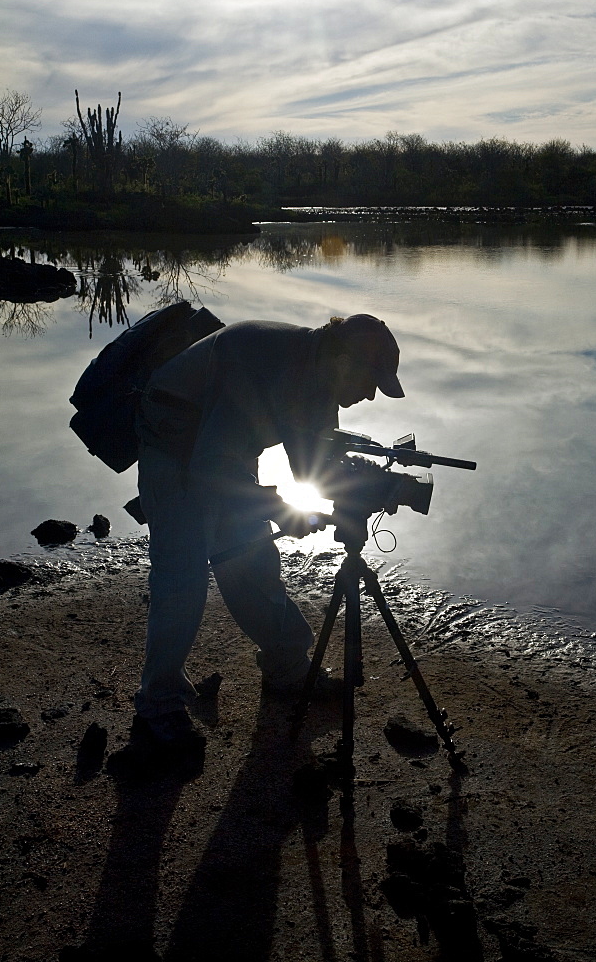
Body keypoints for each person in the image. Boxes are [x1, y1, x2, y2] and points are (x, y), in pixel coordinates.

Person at [132, 313, 404, 746]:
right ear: (341, 360)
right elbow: (209, 469)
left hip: (224, 446)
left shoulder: (318, 379)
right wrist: (281, 510)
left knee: (251, 556)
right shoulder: (263, 361)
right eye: (370, 380)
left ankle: (289, 669)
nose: (370, 395)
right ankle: (159, 702)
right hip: (172, 438)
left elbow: (313, 470)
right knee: (182, 573)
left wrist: (362, 483)